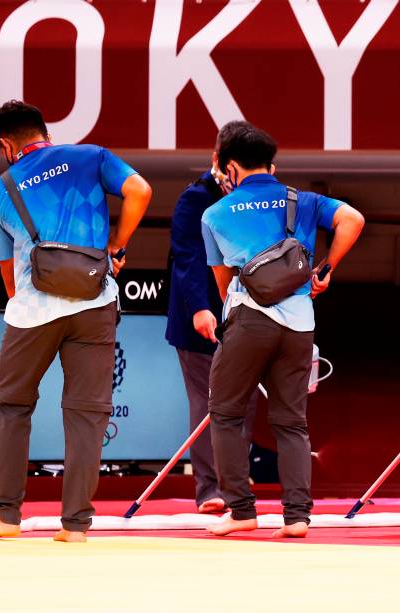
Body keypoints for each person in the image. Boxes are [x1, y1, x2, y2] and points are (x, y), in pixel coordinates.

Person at [0, 100, 152, 542]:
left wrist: (28, 309)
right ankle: (75, 525)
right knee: (87, 414)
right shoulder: (90, 156)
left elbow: (6, 273)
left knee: (13, 406)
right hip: (95, 304)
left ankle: (7, 518)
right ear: (44, 131)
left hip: (33, 310)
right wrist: (116, 244)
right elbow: (141, 191)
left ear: (6, 145)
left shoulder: (0, 191)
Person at [201, 122, 364, 538]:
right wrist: (326, 268)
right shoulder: (303, 200)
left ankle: (240, 509)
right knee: (292, 422)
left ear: (231, 166)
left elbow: (222, 279)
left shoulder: (215, 213)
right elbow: (353, 219)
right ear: (269, 164)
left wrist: (232, 313)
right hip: (299, 324)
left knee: (225, 414)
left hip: (249, 320)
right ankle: (297, 516)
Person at [166, 122, 258, 514]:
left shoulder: (254, 196)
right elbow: (185, 260)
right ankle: (208, 488)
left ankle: (235, 481)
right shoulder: (195, 199)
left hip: (246, 316)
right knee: (206, 404)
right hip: (199, 316)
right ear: (217, 158)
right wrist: (202, 309)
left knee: (245, 404)